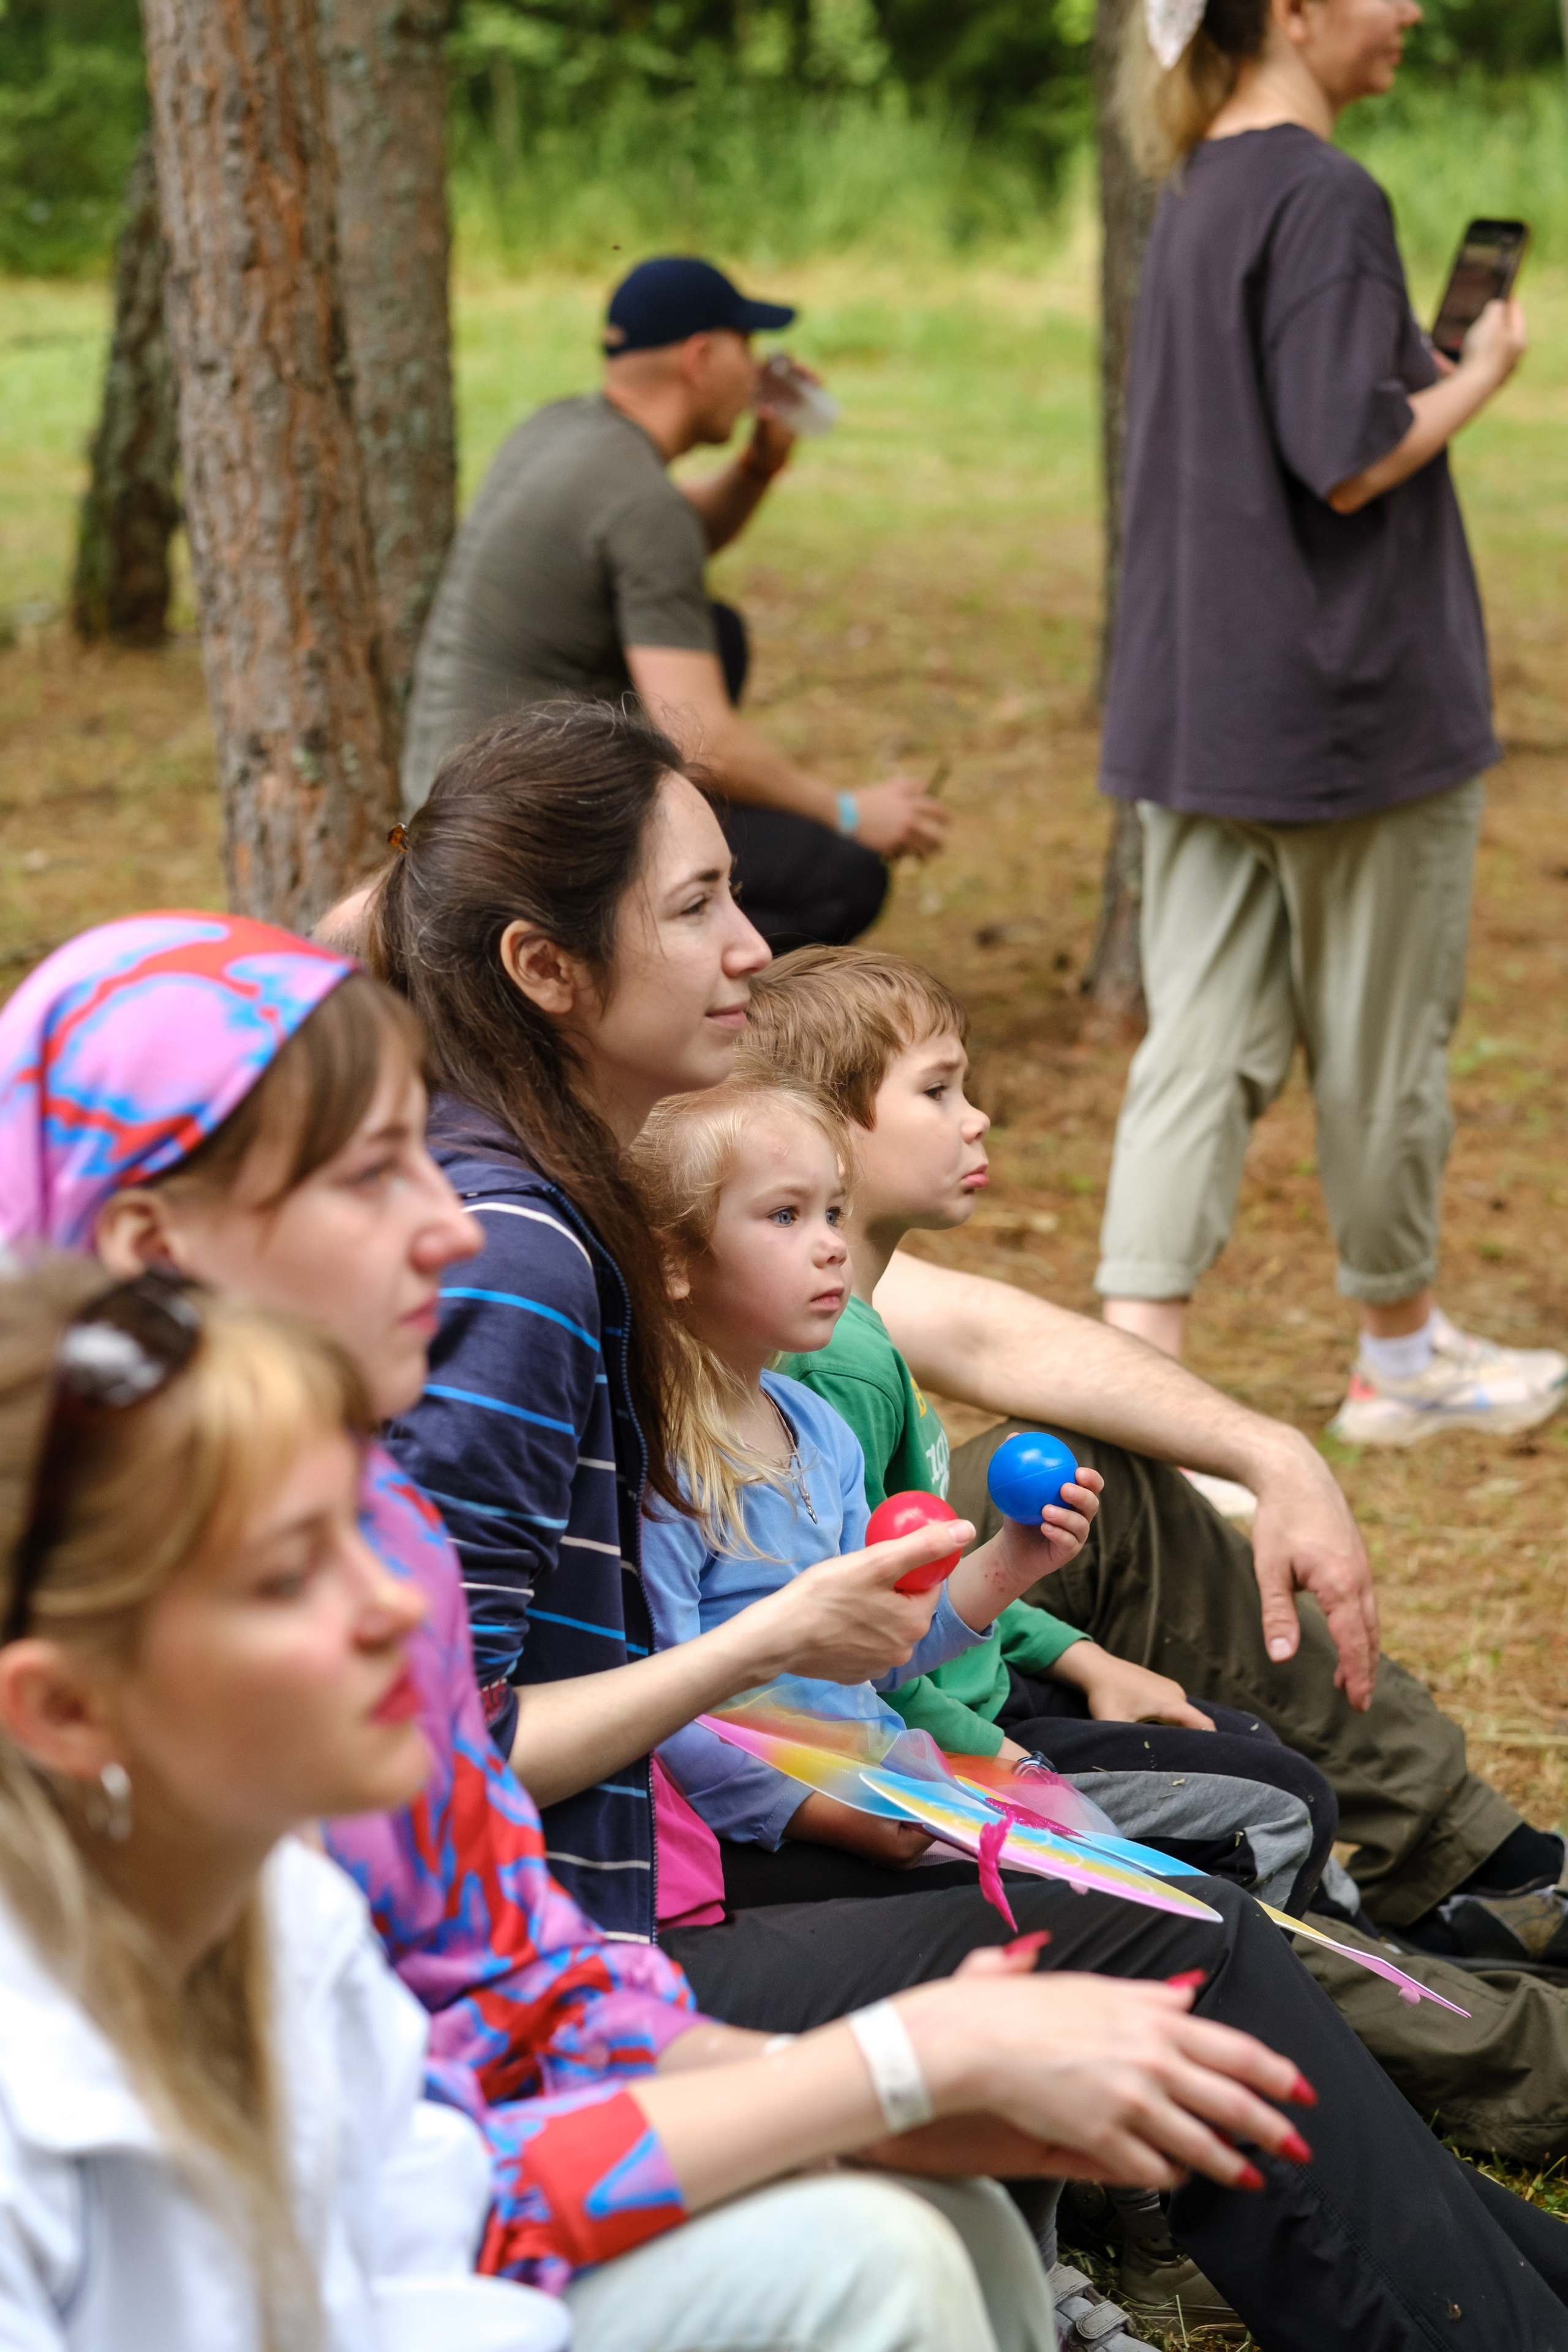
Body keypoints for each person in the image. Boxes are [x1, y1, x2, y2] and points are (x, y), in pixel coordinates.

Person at [368, 699, 1568, 2345]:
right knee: (1175, 1942)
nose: (752, 944)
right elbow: (441, 1755)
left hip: (641, 1894)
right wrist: (771, 1645)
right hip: (565, 1963)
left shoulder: (561, 1194)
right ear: (544, 968)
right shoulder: (522, 1261)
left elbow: (946, 1326)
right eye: (696, 904)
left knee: (1181, 1913)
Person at [0, 922, 1311, 2352]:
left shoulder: (283, 1904)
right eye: (370, 1173)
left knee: (935, 2209)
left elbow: (457, 2165)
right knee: (878, 2250)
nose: (451, 1224)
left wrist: (887, 2086)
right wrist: (877, 2069)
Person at [744, 943, 1568, 2157]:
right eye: (938, 1091)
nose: (978, 1116)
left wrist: (1082, 1646)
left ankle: (1478, 1891)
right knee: (1218, 1861)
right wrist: (1008, 1770)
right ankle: (1505, 2052)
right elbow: (855, 1659)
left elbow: (924, 1541)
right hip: (900, 1758)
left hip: (940, 1692)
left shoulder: (843, 1314)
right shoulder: (831, 1360)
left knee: (1253, 1781)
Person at [1092, 0, 1564, 1447]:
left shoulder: (1192, 187)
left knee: (1193, 1050)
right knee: (1379, 1051)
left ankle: (1131, 1391)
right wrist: (1477, 375)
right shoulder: (1322, 192)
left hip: (1199, 707)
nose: (1409, 7)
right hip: (1344, 714)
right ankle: (1396, 1357)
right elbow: (1344, 458)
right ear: (1292, 13)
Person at [0, 1261, 560, 2348]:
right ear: (66, 1709)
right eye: (292, 1576)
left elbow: (412, 2282)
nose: (395, 1603)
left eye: (358, 1526)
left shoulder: (293, 1915)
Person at [401, 255, 947, 951]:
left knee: (717, 634)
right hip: (521, 838)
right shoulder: (640, 500)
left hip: (447, 794)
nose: (756, 372)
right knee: (842, 878)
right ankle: (647, 985)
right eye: (746, 347)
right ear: (701, 358)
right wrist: (848, 812)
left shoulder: (563, 431)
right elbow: (698, 736)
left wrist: (758, 466)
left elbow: (664, 544)